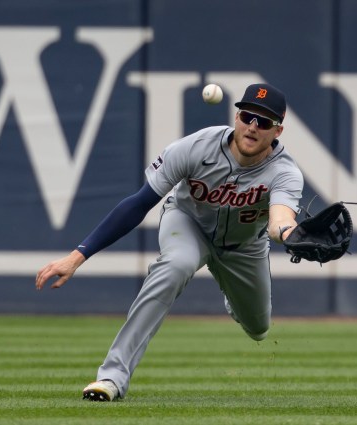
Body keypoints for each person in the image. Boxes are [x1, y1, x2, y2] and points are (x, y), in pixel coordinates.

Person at [35, 83, 304, 401]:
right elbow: (138, 204)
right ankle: (111, 377)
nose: (253, 127)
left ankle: (235, 293)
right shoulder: (196, 147)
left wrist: (290, 234)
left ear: (278, 130)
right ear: (237, 116)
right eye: (248, 116)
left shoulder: (284, 171)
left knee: (259, 329)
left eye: (264, 122)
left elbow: (280, 220)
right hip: (188, 223)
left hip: (244, 247)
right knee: (176, 265)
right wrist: (78, 256)